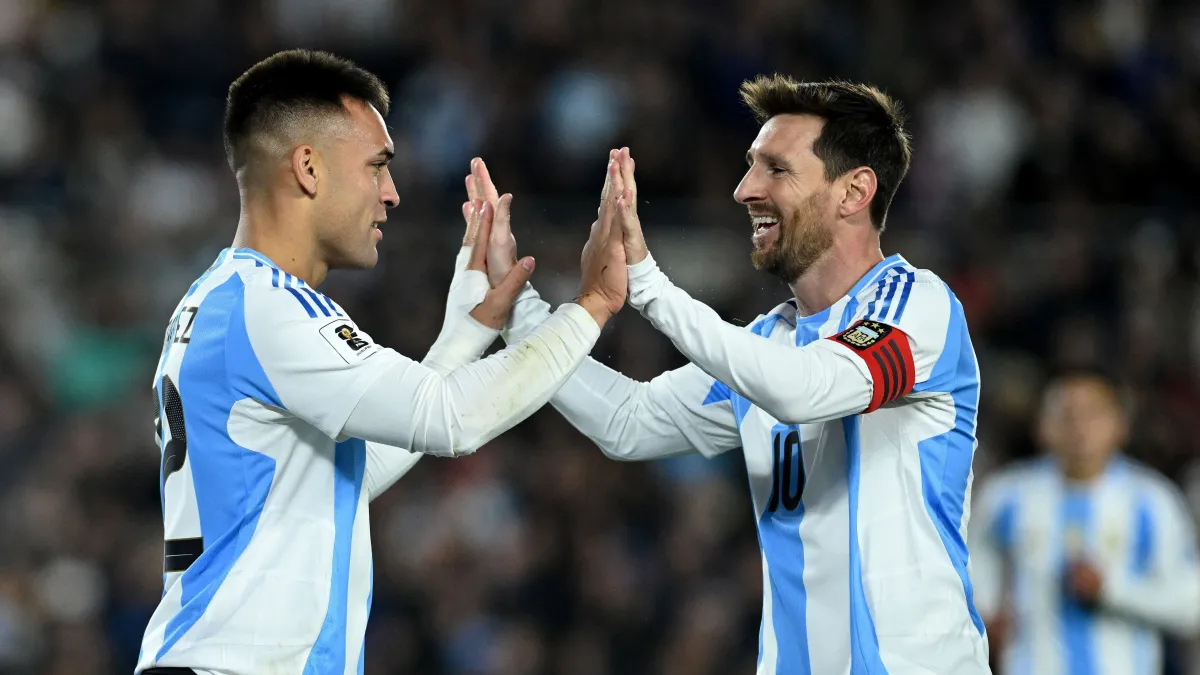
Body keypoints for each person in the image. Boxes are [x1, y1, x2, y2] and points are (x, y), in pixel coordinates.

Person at [471, 74, 991, 673]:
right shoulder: (766, 346)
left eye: (777, 170)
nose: (745, 190)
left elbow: (808, 389)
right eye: (750, 167)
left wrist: (649, 285)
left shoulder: (917, 308)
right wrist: (518, 309)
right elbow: (626, 421)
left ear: (854, 191)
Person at [136, 49, 628, 675]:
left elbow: (345, 476)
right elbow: (451, 418)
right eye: (377, 166)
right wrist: (592, 305)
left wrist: (466, 335)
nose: (391, 194)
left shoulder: (220, 300)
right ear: (308, 167)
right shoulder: (270, 308)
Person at [971, 373, 1200, 675]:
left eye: (1093, 414)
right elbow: (972, 573)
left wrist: (1111, 589)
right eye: (1066, 414)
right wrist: (984, 616)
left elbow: (1190, 606)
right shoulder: (1006, 496)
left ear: (1120, 425)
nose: (1079, 427)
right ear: (1042, 426)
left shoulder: (1153, 501)